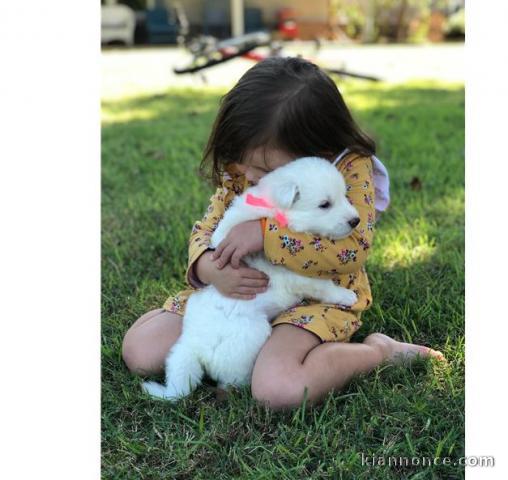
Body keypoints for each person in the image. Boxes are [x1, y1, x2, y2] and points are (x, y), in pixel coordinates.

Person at [122, 57, 444, 409]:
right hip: (233, 297)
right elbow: (206, 228)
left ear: (316, 152)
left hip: (311, 299)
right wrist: (207, 268)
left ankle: (377, 351)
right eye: (244, 162)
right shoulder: (248, 168)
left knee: (278, 390)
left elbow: (353, 248)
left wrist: (266, 234)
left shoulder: (348, 171)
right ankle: (241, 345)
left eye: (262, 168)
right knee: (141, 352)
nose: (248, 174)